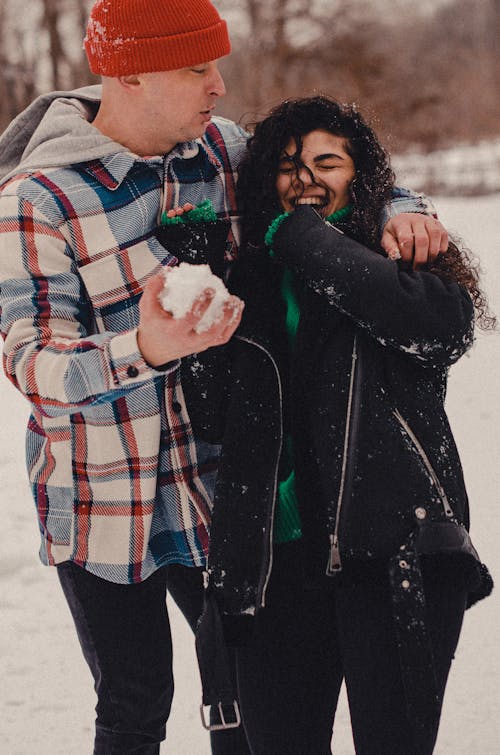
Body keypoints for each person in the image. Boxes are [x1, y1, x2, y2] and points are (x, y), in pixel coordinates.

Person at [0, 0, 452, 750]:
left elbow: (338, 177)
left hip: (222, 492)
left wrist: (403, 208)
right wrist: (141, 348)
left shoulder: (222, 151)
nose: (218, 85)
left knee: (243, 705)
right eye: (196, 68)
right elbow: (30, 362)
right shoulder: (38, 201)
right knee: (135, 702)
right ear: (133, 74)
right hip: (104, 501)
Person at [198, 96, 494, 755]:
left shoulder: (401, 259)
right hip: (276, 561)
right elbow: (212, 413)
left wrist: (308, 239)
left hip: (396, 557)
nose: (305, 177)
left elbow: (439, 331)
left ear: (360, 175)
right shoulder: (246, 280)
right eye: (286, 165)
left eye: (326, 161)